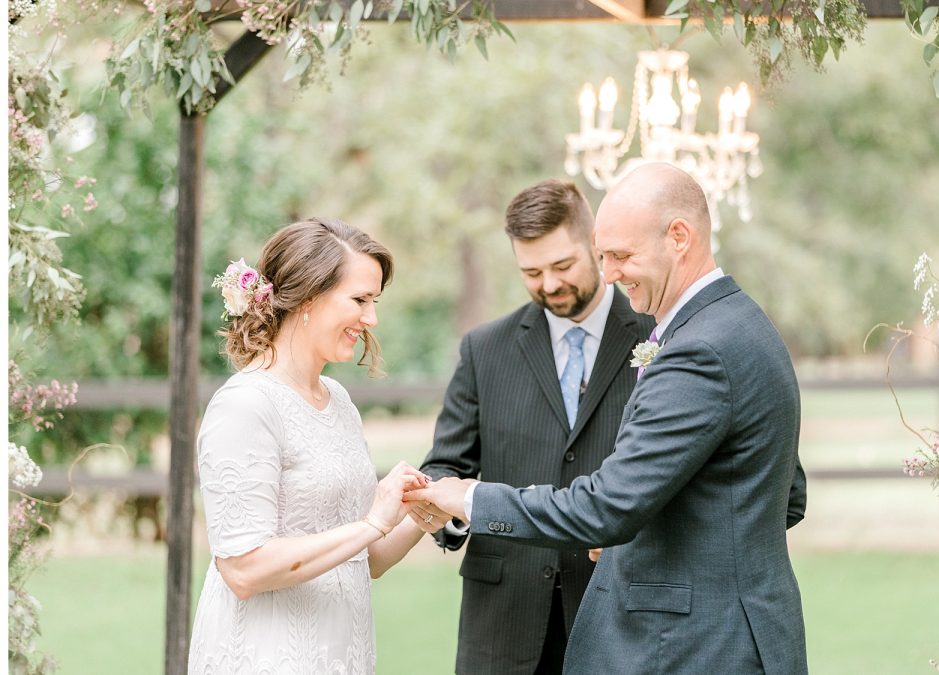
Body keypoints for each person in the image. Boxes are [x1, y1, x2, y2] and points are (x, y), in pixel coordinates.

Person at [405, 164, 809, 674]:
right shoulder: (741, 322)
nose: (612, 273)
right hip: (711, 633)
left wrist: (469, 497)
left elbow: (609, 507)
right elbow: (784, 496)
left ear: (678, 237)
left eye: (620, 256)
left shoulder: (696, 349)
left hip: (702, 644)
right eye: (605, 256)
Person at [188, 217, 446, 674]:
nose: (372, 319)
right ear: (308, 297)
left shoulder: (339, 401)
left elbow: (363, 560)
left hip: (340, 655)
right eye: (360, 300)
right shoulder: (246, 406)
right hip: (265, 657)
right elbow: (244, 570)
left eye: (375, 301)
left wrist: (416, 517)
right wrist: (372, 523)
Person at [417, 178, 653, 674]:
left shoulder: (657, 336)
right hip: (503, 627)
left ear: (595, 243)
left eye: (562, 266)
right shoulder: (485, 350)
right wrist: (459, 510)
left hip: (619, 615)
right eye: (532, 272)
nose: (548, 284)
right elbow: (443, 467)